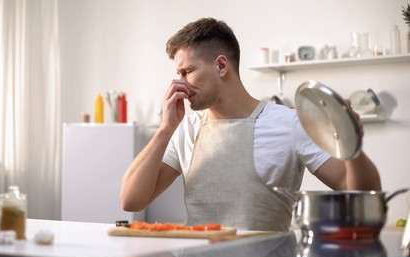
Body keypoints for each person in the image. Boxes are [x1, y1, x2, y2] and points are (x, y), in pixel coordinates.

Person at [120, 18, 381, 231]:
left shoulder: (289, 123)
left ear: (221, 65)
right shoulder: (185, 130)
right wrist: (165, 128)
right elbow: (131, 200)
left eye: (186, 71)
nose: (180, 83)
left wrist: (351, 145)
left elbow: (358, 192)